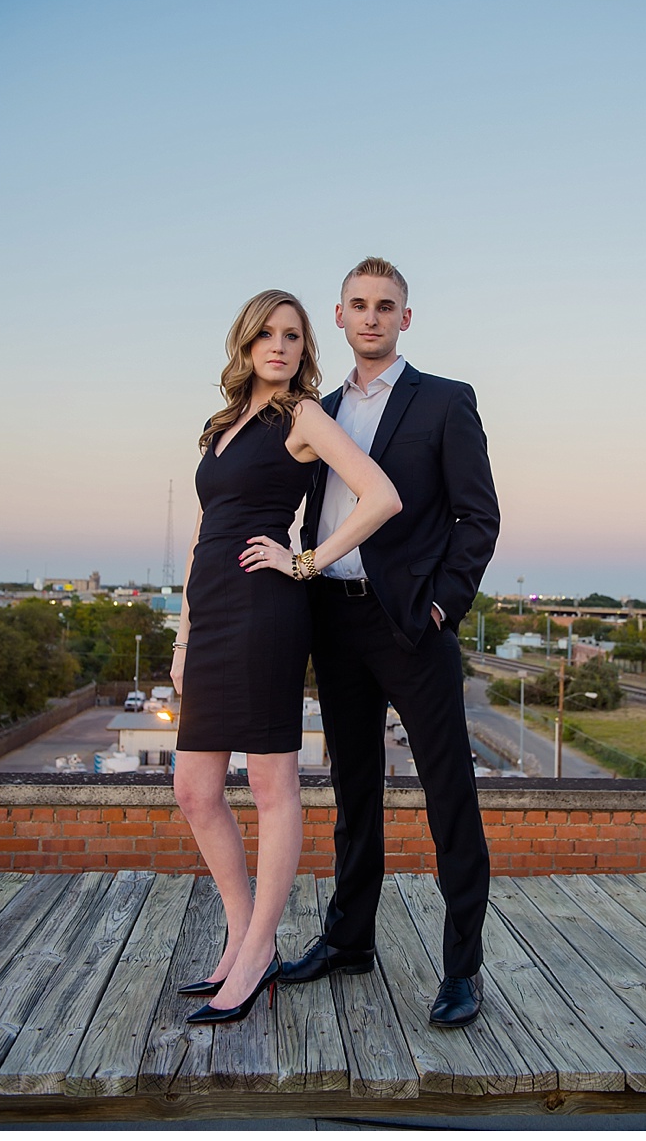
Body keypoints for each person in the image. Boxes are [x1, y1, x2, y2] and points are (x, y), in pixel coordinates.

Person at [171, 289, 401, 1026]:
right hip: (210, 617)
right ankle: (244, 932)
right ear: (244, 342)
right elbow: (204, 531)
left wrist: (305, 562)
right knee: (194, 791)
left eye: (293, 336)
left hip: (266, 614)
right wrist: (181, 635)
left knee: (271, 785)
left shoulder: (302, 418)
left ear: (306, 349)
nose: (279, 346)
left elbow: (380, 496)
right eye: (267, 334)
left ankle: (260, 943)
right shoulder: (223, 426)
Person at [280, 257, 500, 1028]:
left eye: (386, 306)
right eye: (358, 305)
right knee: (354, 792)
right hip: (334, 621)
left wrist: (442, 607)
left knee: (450, 797)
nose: (371, 317)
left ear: (406, 318)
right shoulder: (318, 411)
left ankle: (463, 969)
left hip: (410, 623)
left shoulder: (445, 402)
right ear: (338, 318)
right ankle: (349, 942)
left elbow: (479, 518)